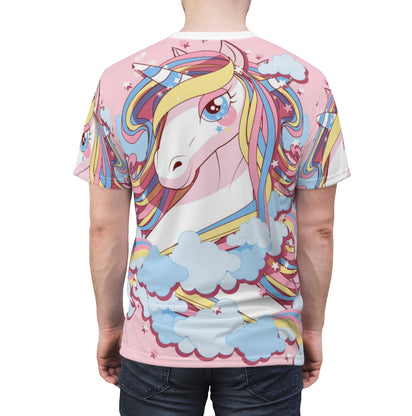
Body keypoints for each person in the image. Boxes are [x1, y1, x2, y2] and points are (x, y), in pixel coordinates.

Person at [73, 0, 350, 414]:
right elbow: (319, 230)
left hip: (154, 337)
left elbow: (103, 229)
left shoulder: (115, 82)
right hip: (267, 343)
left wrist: (111, 324)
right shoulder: (310, 83)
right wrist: (311, 329)